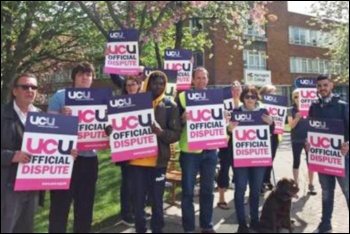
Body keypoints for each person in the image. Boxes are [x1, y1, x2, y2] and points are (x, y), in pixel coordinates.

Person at [127, 71, 182, 233]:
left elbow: (176, 134)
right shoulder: (133, 102)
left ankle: (158, 229)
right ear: (148, 83)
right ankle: (140, 229)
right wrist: (112, 130)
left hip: (158, 163)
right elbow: (121, 125)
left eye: (161, 84)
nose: (157, 86)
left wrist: (160, 132)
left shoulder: (170, 105)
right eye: (154, 83)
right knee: (138, 202)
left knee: (157, 202)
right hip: (136, 162)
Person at [47, 62, 98, 233]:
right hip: (64, 159)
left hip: (89, 159)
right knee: (59, 206)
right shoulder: (60, 96)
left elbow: (107, 126)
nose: (85, 77)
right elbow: (48, 126)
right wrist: (60, 115)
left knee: (85, 206)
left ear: (92, 78)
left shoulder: (100, 98)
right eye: (81, 74)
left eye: (88, 74)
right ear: (74, 77)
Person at [177, 67, 218, 233]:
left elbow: (218, 122)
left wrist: (224, 117)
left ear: (208, 79)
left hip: (210, 150)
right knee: (187, 191)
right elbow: (174, 123)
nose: (201, 80)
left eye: (204, 77)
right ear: (192, 80)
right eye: (198, 78)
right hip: (189, 151)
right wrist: (182, 118)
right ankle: (188, 227)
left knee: (208, 190)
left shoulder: (215, 98)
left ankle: (206, 225)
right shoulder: (182, 97)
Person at [306, 75, 349, 233]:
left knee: (347, 190)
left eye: (325, 85)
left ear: (331, 85)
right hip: (323, 159)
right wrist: (308, 142)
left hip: (342, 158)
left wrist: (348, 145)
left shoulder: (342, 106)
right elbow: (311, 130)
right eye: (319, 86)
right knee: (326, 191)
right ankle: (325, 224)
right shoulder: (314, 106)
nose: (322, 88)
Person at [231, 85, 274, 233]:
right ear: (242, 97)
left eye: (253, 96)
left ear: (257, 98)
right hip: (241, 158)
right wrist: (229, 129)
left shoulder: (263, 112)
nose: (250, 99)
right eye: (247, 96)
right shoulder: (235, 113)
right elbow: (228, 135)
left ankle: (255, 220)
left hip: (258, 159)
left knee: (255, 191)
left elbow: (272, 133)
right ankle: (242, 223)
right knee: (240, 190)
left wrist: (271, 124)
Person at [1, 73, 41, 233]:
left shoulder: (40, 116)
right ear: (15, 91)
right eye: (25, 86)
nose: (30, 90)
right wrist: (11, 156)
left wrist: (66, 154)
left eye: (34, 87)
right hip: (7, 186)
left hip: (32, 185)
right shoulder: (2, 114)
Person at [216, 81, 242, 210]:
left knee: (239, 170)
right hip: (226, 140)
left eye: (238, 90)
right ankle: (221, 198)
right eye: (233, 90)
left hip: (241, 142)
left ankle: (239, 197)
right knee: (224, 168)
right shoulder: (223, 105)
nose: (236, 92)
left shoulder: (243, 105)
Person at [288, 89, 316, 194]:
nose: (298, 99)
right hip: (296, 139)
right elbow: (291, 125)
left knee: (311, 162)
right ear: (293, 98)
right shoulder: (291, 110)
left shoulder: (311, 108)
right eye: (295, 96)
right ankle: (296, 184)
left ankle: (311, 184)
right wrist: (297, 117)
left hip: (309, 139)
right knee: (296, 161)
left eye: (299, 96)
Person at [259, 84, 279, 191]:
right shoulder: (259, 106)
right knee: (263, 160)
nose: (273, 95)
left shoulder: (278, 106)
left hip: (274, 136)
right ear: (262, 95)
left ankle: (267, 179)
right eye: (269, 93)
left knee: (271, 159)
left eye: (274, 93)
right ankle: (261, 182)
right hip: (262, 137)